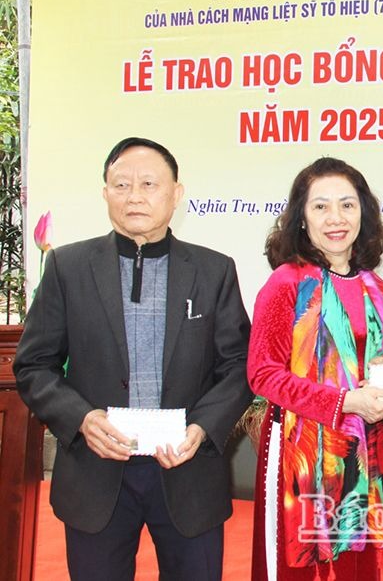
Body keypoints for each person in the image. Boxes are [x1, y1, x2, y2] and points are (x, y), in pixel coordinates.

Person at [14, 137, 252, 581]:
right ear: (105, 193)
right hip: (96, 471)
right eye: (122, 184)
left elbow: (238, 365)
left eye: (149, 184)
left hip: (187, 469)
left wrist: (202, 427)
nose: (135, 196)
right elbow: (33, 365)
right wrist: (82, 419)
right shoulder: (68, 267)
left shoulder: (213, 270)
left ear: (176, 194)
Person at [247, 157, 383, 581]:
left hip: (363, 452)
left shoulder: (376, 287)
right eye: (320, 207)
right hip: (299, 456)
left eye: (347, 205)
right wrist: (344, 401)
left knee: (359, 569)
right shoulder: (287, 283)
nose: (335, 218)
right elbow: (263, 373)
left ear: (363, 213)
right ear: (301, 218)